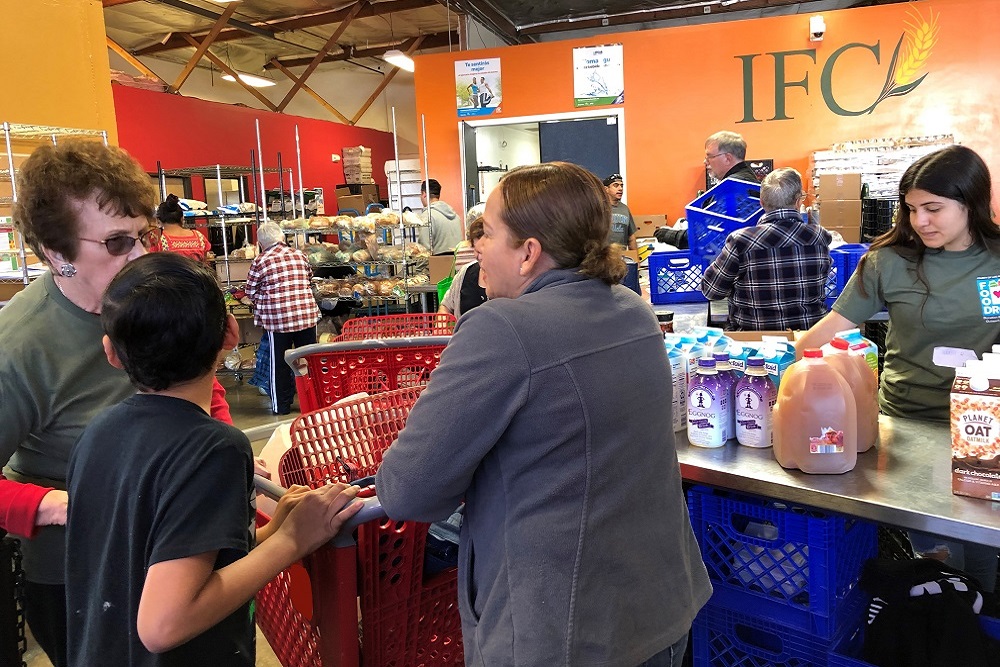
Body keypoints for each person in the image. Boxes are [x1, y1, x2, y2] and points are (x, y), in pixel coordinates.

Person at [375, 161, 711, 666]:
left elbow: (407, 490)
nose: (477, 248)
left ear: (529, 252)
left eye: (487, 233)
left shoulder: (502, 329)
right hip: (657, 610)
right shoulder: (631, 309)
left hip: (562, 632)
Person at [64, 252, 363, 665]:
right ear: (230, 332)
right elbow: (164, 623)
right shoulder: (213, 449)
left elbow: (162, 559)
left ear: (110, 352)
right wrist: (295, 540)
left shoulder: (97, 435)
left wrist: (274, 530)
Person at [0, 139, 232, 667]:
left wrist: (219, 436)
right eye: (117, 242)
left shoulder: (147, 293)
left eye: (146, 233)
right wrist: (55, 506)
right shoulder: (18, 349)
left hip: (183, 548)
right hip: (85, 578)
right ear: (57, 254)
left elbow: (197, 371)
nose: (144, 254)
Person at [796, 144, 1000, 592]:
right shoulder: (888, 261)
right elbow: (828, 330)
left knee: (982, 545)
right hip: (906, 422)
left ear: (973, 202)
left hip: (983, 429)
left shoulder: (997, 261)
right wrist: (787, 366)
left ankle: (977, 619)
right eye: (910, 209)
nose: (919, 221)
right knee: (932, 549)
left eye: (933, 208)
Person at [701, 167, 831, 330]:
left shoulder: (741, 240)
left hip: (754, 341)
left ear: (761, 203)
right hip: (809, 338)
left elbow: (711, 291)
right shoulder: (819, 236)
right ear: (799, 201)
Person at [245, 221, 320, 416]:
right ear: (282, 238)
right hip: (306, 316)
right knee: (309, 362)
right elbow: (308, 278)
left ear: (261, 244)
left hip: (278, 321)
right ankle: (315, 403)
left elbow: (250, 291)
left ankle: (281, 407)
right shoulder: (300, 255)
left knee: (278, 364)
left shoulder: (260, 261)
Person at [654, 130, 760, 249]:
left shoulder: (731, 188)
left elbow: (709, 237)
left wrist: (670, 235)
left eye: (710, 156)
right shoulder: (747, 181)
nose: (705, 162)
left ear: (727, 158)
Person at [437, 216, 487, 319]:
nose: (479, 256)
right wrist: (441, 324)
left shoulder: (506, 279)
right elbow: (445, 306)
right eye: (476, 250)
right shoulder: (465, 273)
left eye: (483, 251)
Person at [153, 193, 211, 262]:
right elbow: (205, 262)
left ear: (158, 221)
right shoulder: (199, 237)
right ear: (182, 219)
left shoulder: (158, 240)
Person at [418, 178, 462, 256]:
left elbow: (424, 252)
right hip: (456, 265)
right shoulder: (456, 216)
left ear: (424, 193)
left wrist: (419, 268)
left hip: (438, 265)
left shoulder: (427, 216)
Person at [603, 173, 638, 249]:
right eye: (616, 185)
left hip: (622, 256)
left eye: (621, 185)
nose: (620, 188)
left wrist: (636, 258)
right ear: (606, 189)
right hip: (604, 257)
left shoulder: (625, 209)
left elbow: (631, 238)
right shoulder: (599, 208)